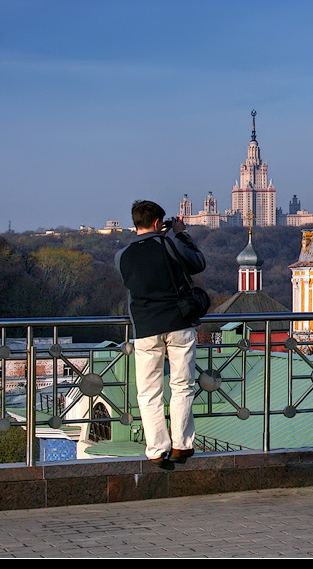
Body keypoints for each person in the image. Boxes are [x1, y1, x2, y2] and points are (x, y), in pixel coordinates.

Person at [115, 200, 207, 470]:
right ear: (158, 223)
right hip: (178, 323)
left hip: (145, 329)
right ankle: (181, 444)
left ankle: (156, 449)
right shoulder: (170, 244)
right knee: (182, 386)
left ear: (136, 223)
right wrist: (179, 233)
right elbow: (197, 263)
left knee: (148, 391)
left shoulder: (122, 255)